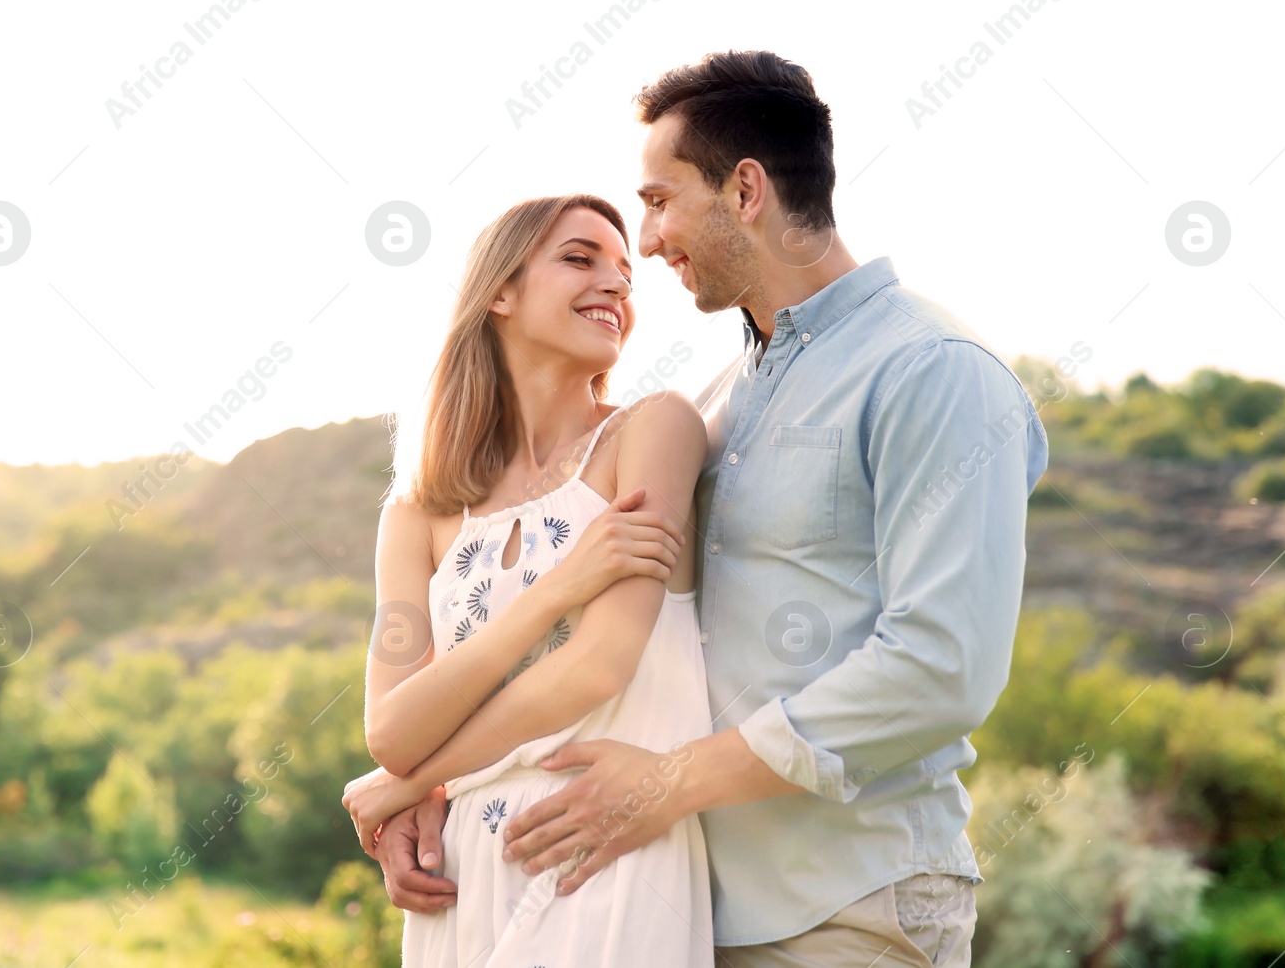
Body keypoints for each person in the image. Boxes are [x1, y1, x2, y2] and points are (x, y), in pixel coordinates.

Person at [375, 51, 1051, 967]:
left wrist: (669, 783)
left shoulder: (930, 370)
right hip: (679, 901)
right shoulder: (720, 400)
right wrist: (426, 784)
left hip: (848, 906)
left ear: (745, 190)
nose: (646, 246)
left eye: (657, 202)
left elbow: (941, 666)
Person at [341, 193, 717, 965]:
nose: (616, 283)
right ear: (501, 293)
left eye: (624, 273)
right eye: (580, 258)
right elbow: (392, 732)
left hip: (600, 848)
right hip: (459, 877)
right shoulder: (416, 512)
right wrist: (559, 586)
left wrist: (410, 783)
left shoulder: (652, 431)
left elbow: (598, 666)